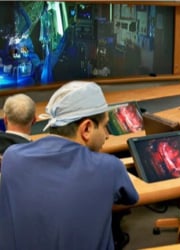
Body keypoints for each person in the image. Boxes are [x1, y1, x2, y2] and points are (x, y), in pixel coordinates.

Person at [0, 81, 139, 250]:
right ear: (86, 128)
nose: (107, 135)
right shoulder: (109, 167)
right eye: (104, 127)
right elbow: (131, 198)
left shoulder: (12, 157)